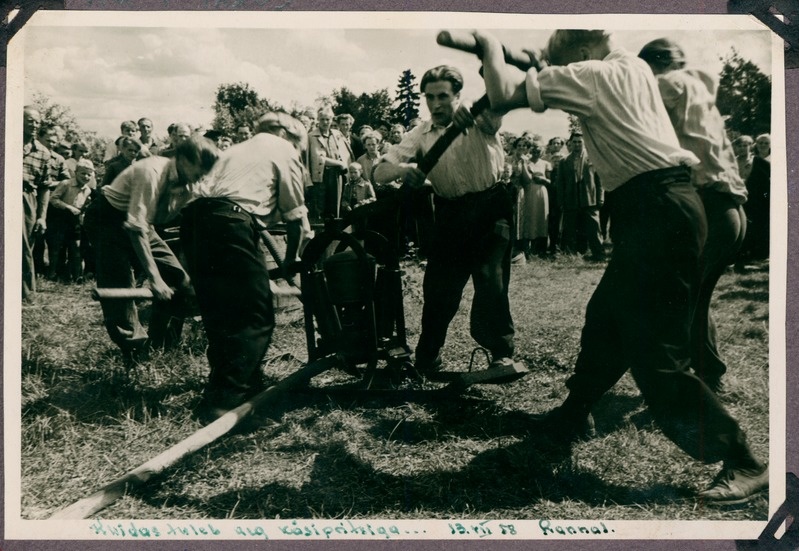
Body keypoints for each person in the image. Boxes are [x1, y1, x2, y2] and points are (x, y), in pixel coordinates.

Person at [474, 28, 768, 504]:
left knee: (656, 353)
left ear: (584, 54)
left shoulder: (592, 73)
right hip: (660, 205)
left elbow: (502, 95)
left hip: (657, 209)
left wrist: (487, 43)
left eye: (562, 63)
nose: (561, 74)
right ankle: (574, 414)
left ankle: (742, 459)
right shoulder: (631, 66)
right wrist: (537, 62)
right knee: (607, 317)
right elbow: (554, 76)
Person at [374, 64, 516, 375]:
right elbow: (379, 171)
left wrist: (470, 108)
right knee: (439, 289)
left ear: (458, 96)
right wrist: (402, 170)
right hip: (451, 214)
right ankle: (428, 356)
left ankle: (502, 355)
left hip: (492, 208)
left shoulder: (481, 118)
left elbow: (495, 104)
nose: (436, 104)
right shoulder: (420, 134)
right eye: (429, 97)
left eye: (443, 97)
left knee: (490, 280)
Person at [179, 113, 310, 423]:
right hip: (230, 224)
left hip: (194, 222)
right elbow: (298, 221)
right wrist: (292, 262)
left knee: (220, 311)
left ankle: (232, 388)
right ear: (288, 134)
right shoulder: (283, 149)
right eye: (301, 147)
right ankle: (228, 405)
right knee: (256, 316)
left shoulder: (236, 150)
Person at [639, 38, 750, 393]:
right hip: (729, 208)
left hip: (709, 206)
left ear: (653, 65)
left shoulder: (666, 83)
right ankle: (707, 372)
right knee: (695, 296)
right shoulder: (699, 87)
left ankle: (694, 382)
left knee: (681, 296)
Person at [83, 137, 214, 357]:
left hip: (142, 224)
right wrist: (154, 279)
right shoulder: (151, 172)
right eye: (201, 169)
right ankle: (135, 352)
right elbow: (136, 229)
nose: (204, 175)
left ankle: (162, 344)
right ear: (183, 160)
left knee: (178, 278)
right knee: (121, 285)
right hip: (107, 220)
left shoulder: (193, 181)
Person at [558, 131, 605, 260]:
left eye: (580, 142)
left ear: (584, 143)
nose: (577, 144)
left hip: (590, 198)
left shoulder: (592, 158)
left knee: (594, 228)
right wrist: (561, 201)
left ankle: (599, 254)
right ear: (570, 143)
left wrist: (600, 197)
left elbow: (599, 180)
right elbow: (560, 183)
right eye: (574, 142)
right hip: (571, 198)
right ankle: (569, 256)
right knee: (570, 228)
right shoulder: (564, 161)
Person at [46, 159, 95, 282]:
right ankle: (52, 274)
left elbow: (81, 207)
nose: (86, 177)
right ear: (76, 172)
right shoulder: (66, 184)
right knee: (56, 247)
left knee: (76, 247)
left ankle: (76, 275)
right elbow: (53, 199)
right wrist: (68, 207)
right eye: (83, 173)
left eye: (89, 174)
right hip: (60, 217)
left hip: (74, 220)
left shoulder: (87, 189)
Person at [22, 106, 52, 301]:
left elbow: (44, 187)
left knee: (25, 247)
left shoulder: (43, 152)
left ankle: (24, 293)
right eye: (29, 120)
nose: (33, 125)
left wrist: (42, 216)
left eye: (36, 122)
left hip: (26, 199)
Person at [308, 105, 350, 220]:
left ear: (332, 120)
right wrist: (339, 163)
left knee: (335, 208)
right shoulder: (312, 136)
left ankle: (334, 236)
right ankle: (319, 236)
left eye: (328, 119)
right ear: (318, 120)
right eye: (322, 119)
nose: (325, 122)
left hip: (336, 175)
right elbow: (319, 159)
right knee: (320, 209)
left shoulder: (337, 134)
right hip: (321, 177)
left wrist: (343, 164)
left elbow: (345, 153)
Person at [517, 135, 551, 259]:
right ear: (530, 150)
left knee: (541, 218)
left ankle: (541, 249)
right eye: (534, 150)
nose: (536, 152)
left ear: (542, 151)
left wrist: (543, 179)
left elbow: (550, 181)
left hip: (542, 192)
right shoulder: (526, 161)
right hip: (529, 191)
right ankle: (527, 249)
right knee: (530, 218)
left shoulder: (546, 163)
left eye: (539, 150)